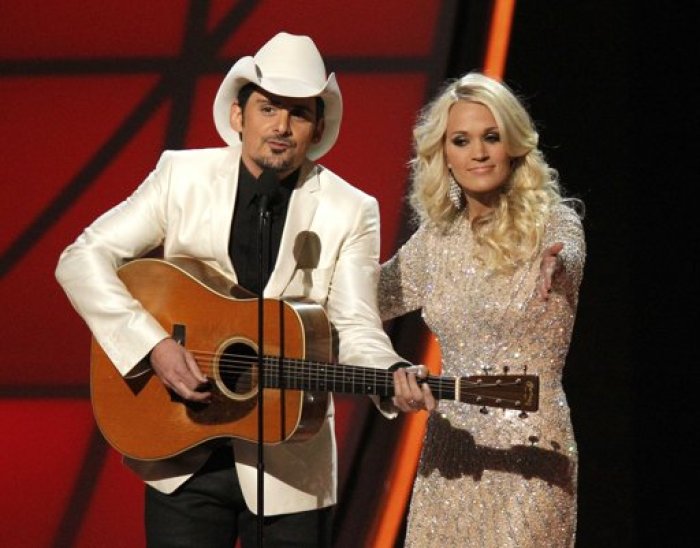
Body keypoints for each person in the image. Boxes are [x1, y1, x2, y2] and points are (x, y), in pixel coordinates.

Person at [55, 32, 406, 547]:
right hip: (182, 450)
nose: (281, 127)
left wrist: (390, 372)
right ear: (239, 115)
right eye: (268, 108)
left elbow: (354, 323)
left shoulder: (348, 209)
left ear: (318, 126)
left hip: (290, 466)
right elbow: (81, 258)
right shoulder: (182, 176)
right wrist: (152, 345)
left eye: (298, 113)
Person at [380, 72, 585, 547]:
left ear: (512, 144)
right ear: (444, 156)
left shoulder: (554, 223)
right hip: (452, 450)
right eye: (462, 140)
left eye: (491, 137)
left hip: (532, 449)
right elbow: (365, 300)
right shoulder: (435, 242)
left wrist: (560, 264)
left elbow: (569, 252)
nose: (478, 153)